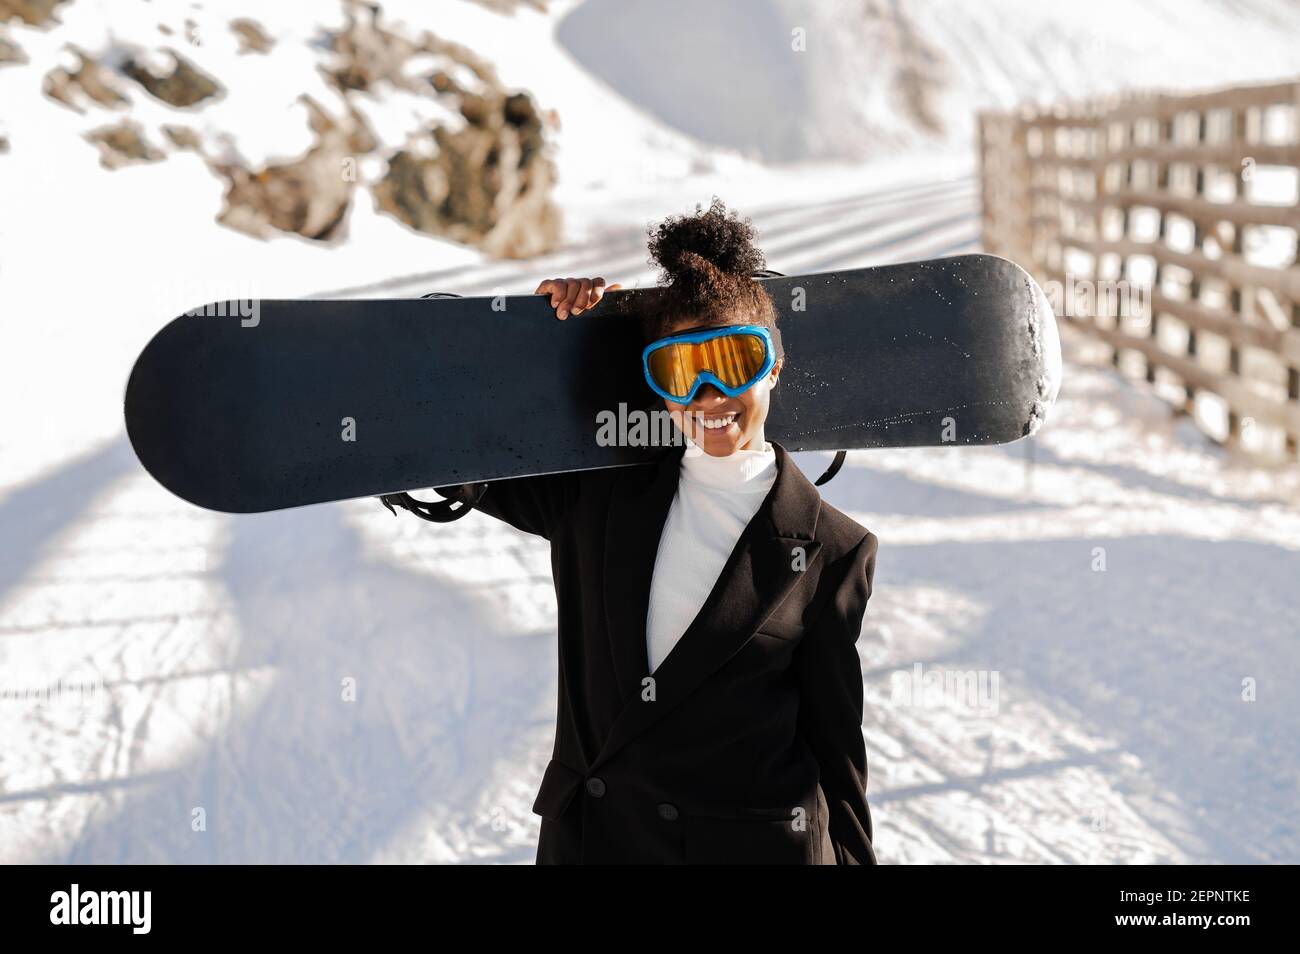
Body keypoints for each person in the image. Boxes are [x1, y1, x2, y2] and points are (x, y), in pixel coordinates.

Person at [432, 199, 878, 864]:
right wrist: (547, 336)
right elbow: (450, 458)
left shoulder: (835, 548)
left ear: (773, 367)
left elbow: (836, 749)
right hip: (598, 844)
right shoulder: (593, 498)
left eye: (733, 362)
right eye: (679, 370)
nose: (706, 394)